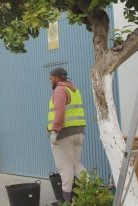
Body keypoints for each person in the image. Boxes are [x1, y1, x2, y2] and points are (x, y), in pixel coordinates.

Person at [48, 67, 87, 203]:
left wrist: (55, 132)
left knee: (65, 168)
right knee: (76, 165)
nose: (50, 80)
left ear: (57, 78)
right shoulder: (74, 90)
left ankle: (66, 200)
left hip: (63, 135)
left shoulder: (60, 90)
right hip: (78, 133)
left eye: (51, 77)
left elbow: (59, 113)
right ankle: (93, 189)